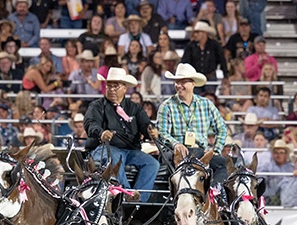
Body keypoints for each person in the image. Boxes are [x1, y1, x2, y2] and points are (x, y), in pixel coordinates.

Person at [85, 67, 159, 202]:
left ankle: (139, 200)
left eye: (116, 86)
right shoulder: (96, 106)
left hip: (130, 150)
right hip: (104, 148)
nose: (111, 89)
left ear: (125, 88)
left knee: (152, 164)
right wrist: (101, 132)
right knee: (116, 157)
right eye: (109, 86)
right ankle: (126, 194)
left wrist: (151, 131)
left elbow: (145, 124)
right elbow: (90, 123)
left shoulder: (134, 108)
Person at [157, 63, 228, 183]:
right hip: (175, 153)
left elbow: (222, 128)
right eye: (176, 82)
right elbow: (162, 133)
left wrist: (216, 150)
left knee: (224, 164)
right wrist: (175, 144)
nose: (178, 85)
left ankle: (213, 193)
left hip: (199, 151)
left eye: (183, 82)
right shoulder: (167, 106)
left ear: (193, 84)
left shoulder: (206, 104)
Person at [180, 21, 227, 89]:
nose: (195, 35)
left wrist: (225, 75)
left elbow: (222, 60)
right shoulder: (191, 46)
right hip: (195, 78)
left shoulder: (214, 45)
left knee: (209, 96)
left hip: (210, 77)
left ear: (204, 33)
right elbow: (185, 61)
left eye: (197, 32)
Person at [258, 138, 294, 204]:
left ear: (286, 155)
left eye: (281, 153)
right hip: (271, 196)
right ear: (272, 154)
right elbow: (261, 180)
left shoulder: (292, 168)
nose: (278, 155)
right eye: (276, 153)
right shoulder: (266, 167)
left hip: (289, 197)